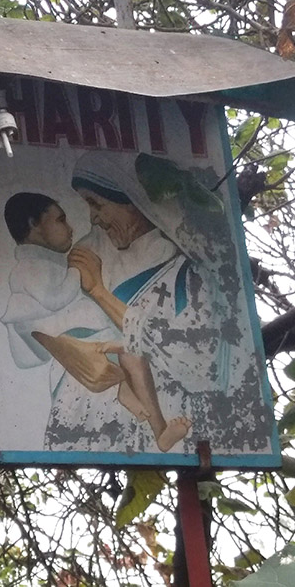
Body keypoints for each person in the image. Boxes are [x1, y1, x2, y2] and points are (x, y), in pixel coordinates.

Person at [48, 152, 270, 455]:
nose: (93, 218)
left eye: (97, 204)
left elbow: (197, 360)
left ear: (131, 201)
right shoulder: (97, 254)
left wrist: (100, 292)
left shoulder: (184, 271)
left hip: (170, 428)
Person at [0, 191, 190, 452]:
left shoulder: (172, 258)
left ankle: (149, 419)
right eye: (61, 220)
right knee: (130, 352)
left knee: (132, 354)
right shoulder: (32, 268)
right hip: (76, 352)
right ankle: (134, 402)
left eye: (97, 204)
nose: (75, 226)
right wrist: (80, 276)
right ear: (34, 225)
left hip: (95, 346)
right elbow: (56, 301)